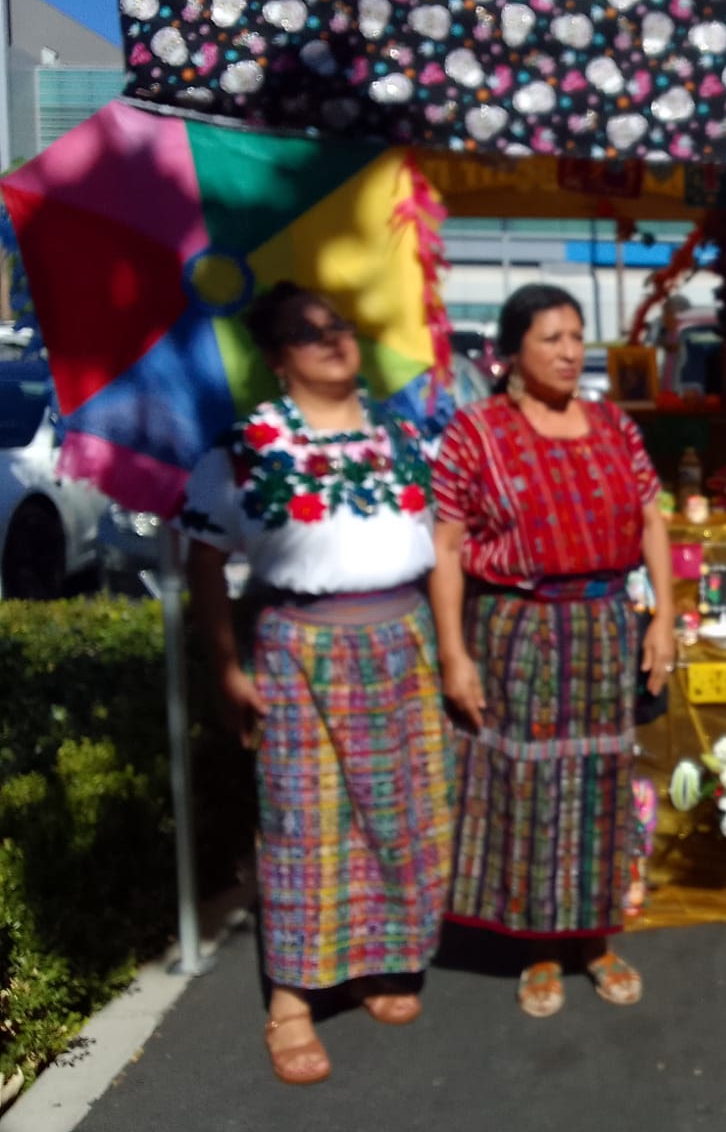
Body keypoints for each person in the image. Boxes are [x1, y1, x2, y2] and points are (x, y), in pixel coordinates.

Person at [181, 283, 452, 1086]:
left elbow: (439, 539)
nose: (333, 340)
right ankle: (293, 1000)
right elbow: (202, 561)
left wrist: (454, 647)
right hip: (300, 649)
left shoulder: (403, 435)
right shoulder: (248, 447)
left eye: (339, 324)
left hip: (402, 641)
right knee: (304, 823)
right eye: (308, 332)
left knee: (396, 813)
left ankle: (375, 959)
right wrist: (225, 666)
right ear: (275, 358)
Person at [430, 283, 674, 1018]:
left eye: (577, 336)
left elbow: (652, 521)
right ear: (511, 353)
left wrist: (664, 617)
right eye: (552, 338)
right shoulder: (475, 434)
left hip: (605, 623)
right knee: (530, 787)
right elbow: (446, 546)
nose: (571, 352)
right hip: (517, 628)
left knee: (602, 781)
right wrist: (453, 655)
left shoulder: (613, 426)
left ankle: (595, 940)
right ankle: (537, 945)